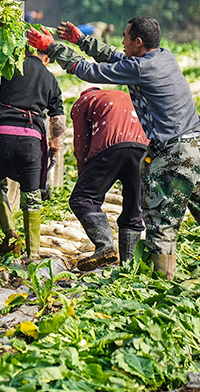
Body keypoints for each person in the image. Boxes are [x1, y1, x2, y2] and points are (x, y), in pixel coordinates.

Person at [27, 17, 200, 281]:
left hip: (173, 152)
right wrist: (80, 40)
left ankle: (160, 287)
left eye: (125, 37)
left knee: (160, 221)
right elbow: (119, 59)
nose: (122, 41)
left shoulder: (142, 69)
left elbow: (89, 72)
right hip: (197, 146)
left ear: (138, 42)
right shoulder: (164, 58)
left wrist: (52, 48)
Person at [0, 39, 65, 261]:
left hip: (1, 136)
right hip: (31, 141)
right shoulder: (50, 79)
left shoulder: (11, 61)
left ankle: (11, 234)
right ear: (46, 56)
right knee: (32, 197)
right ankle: (33, 255)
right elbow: (57, 118)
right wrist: (55, 146)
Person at [69, 87, 148, 271]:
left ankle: (105, 246)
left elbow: (81, 143)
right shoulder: (126, 97)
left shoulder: (84, 101)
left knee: (82, 199)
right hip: (143, 150)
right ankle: (130, 267)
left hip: (110, 146)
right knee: (134, 209)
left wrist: (83, 174)